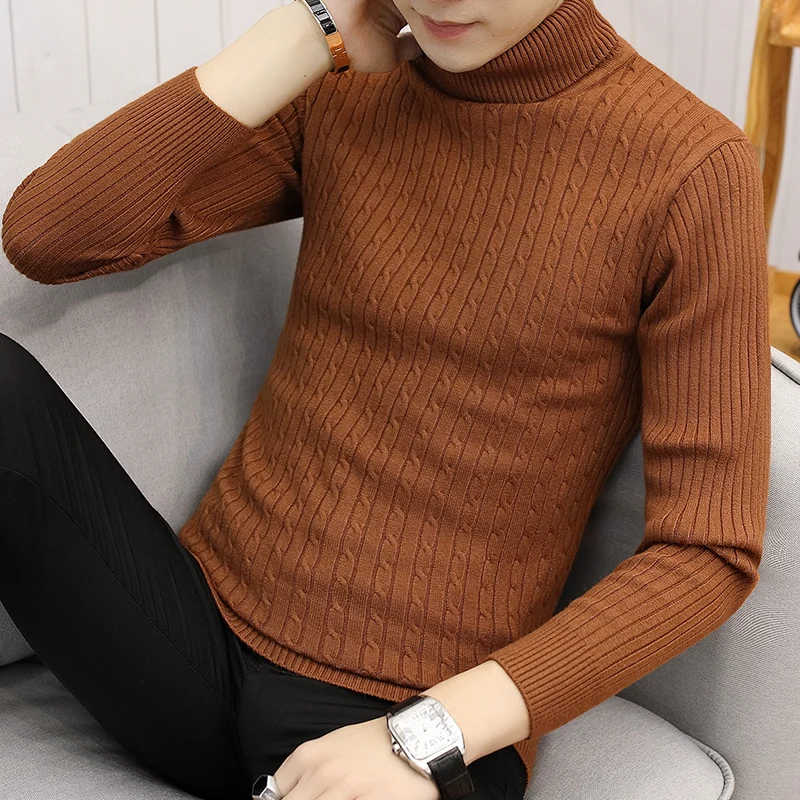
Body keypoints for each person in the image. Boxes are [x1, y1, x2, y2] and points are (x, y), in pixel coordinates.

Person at [0, 0, 772, 799]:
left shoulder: (690, 169)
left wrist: (425, 735)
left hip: (409, 719)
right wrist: (310, 28)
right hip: (186, 633)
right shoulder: (344, 88)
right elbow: (47, 235)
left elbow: (707, 550)